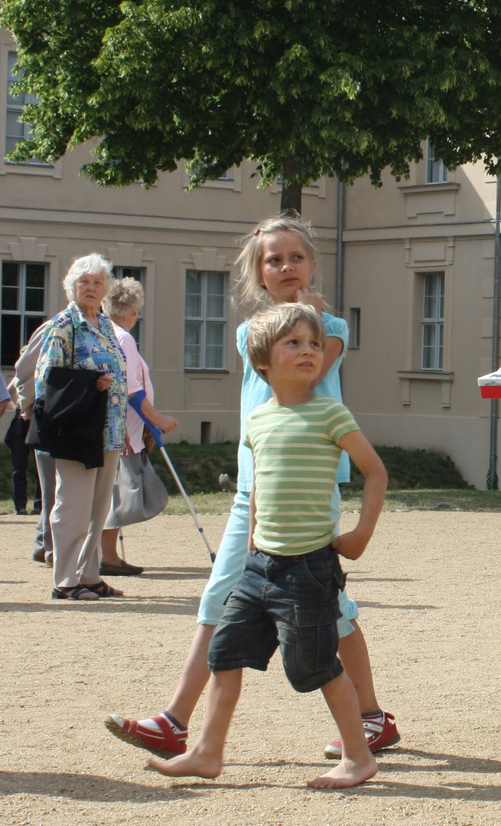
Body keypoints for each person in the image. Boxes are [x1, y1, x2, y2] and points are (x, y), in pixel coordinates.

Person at [105, 214, 397, 761]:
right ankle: (180, 720)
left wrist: (309, 316)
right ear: (259, 274)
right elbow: (272, 367)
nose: (286, 266)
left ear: (312, 264)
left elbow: (312, 368)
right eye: (273, 259)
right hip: (257, 479)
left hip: (309, 479)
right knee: (245, 596)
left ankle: (368, 717)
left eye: (296, 257)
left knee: (322, 606)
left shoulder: (329, 328)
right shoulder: (249, 335)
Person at [149, 302, 388, 788]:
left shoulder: (330, 414)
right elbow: (258, 485)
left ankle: (359, 757)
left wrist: (361, 533)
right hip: (259, 566)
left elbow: (375, 471)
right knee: (225, 652)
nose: (309, 351)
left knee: (315, 666)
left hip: (309, 569)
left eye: (315, 344)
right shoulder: (258, 420)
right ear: (262, 362)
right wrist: (254, 537)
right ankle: (207, 752)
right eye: (294, 343)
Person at [35, 255, 129, 600]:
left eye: (97, 282)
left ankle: (90, 575)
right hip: (77, 430)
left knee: (98, 509)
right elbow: (46, 379)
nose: (91, 288)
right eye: (84, 282)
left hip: (109, 431)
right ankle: (65, 580)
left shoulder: (104, 325)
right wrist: (91, 385)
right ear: (71, 287)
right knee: (72, 506)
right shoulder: (64, 325)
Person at [98, 277, 179, 576]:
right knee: (119, 495)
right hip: (122, 433)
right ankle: (106, 555)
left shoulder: (106, 332)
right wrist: (156, 419)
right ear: (134, 310)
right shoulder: (124, 338)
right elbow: (131, 388)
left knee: (114, 494)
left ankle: (107, 554)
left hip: (118, 430)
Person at [10, 321, 55, 561]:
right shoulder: (54, 327)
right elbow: (24, 370)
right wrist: (26, 404)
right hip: (45, 416)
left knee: (50, 486)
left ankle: (42, 542)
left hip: (75, 420)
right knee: (51, 488)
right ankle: (49, 546)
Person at [4, 380, 40, 516]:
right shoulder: (19, 376)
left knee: (40, 466)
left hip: (37, 417)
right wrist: (16, 407)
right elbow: (7, 393)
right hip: (20, 421)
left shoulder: (40, 371)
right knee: (18, 466)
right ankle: (20, 506)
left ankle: (39, 505)